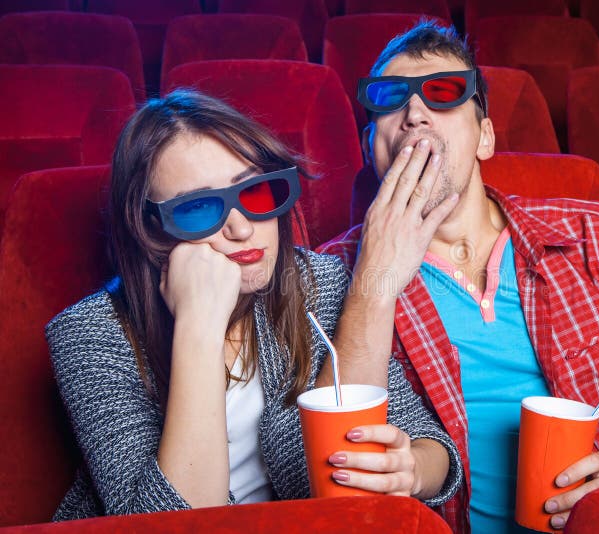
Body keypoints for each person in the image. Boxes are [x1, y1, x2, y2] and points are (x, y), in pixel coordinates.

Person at [317, 21, 599, 533]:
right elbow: (339, 467)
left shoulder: (596, 234)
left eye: (442, 94)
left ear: (485, 138)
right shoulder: (331, 273)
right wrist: (373, 277)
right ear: (371, 143)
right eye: (391, 101)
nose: (415, 114)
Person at [46, 89, 462, 520]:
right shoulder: (90, 334)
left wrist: (409, 471)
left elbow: (432, 447)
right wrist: (198, 326)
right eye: (198, 209)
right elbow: (169, 523)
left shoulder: (318, 284)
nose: (242, 229)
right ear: (149, 227)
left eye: (257, 192)